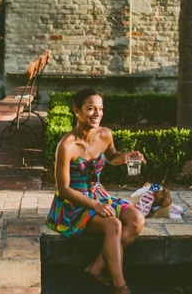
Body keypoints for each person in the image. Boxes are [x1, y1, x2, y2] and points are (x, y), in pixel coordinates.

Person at [46, 89, 145, 293]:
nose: (96, 114)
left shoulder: (105, 134)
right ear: (77, 111)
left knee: (137, 220)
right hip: (73, 203)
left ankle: (95, 268)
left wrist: (126, 156)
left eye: (100, 109)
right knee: (113, 224)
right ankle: (121, 287)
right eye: (90, 108)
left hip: (99, 194)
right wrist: (95, 205)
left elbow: (112, 157)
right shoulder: (66, 145)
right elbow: (63, 189)